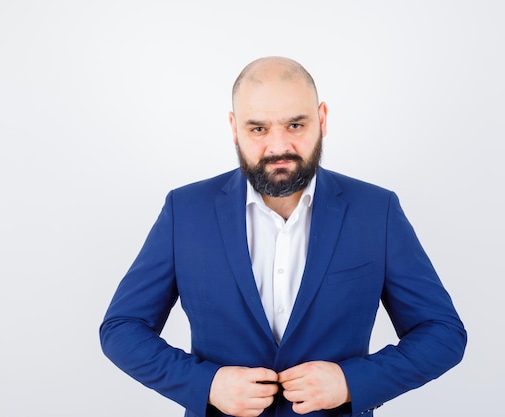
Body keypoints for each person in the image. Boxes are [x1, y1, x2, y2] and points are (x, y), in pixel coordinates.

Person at [99, 56, 467, 417]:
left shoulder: (376, 210)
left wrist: (350, 382)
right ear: (234, 128)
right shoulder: (185, 210)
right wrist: (206, 384)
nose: (278, 147)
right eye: (258, 128)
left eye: (295, 125)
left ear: (322, 119)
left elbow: (442, 333)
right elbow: (122, 328)